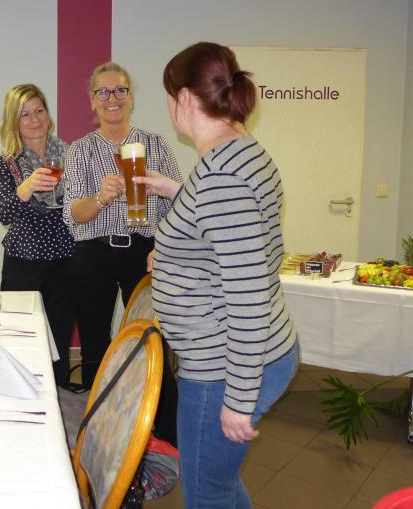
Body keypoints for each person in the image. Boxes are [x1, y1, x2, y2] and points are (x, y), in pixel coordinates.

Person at [136, 42, 299, 508]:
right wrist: (177, 192)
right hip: (238, 354)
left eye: (169, 97)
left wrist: (238, 400)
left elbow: (248, 296)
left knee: (207, 493)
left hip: (223, 367)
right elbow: (226, 227)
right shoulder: (237, 152)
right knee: (219, 484)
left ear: (185, 99)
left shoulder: (220, 178)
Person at [62, 62, 182, 442]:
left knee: (150, 339)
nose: (112, 98)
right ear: (92, 101)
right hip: (92, 254)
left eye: (120, 90)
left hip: (142, 251)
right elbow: (73, 215)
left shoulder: (155, 144)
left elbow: (179, 206)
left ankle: (164, 431)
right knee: (95, 343)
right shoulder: (80, 149)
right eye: (103, 91)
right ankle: (99, 433)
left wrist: (162, 245)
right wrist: (101, 196)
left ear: (130, 98)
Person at [0, 83, 74, 385]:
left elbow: (82, 206)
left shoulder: (71, 155)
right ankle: (19, 393)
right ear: (14, 121)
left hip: (66, 258)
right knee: (20, 334)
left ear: (48, 115)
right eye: (25, 114)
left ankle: (57, 396)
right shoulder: (6, 163)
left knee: (59, 337)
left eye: (39, 110)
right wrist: (26, 188)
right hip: (23, 261)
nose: (35, 119)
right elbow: (5, 214)